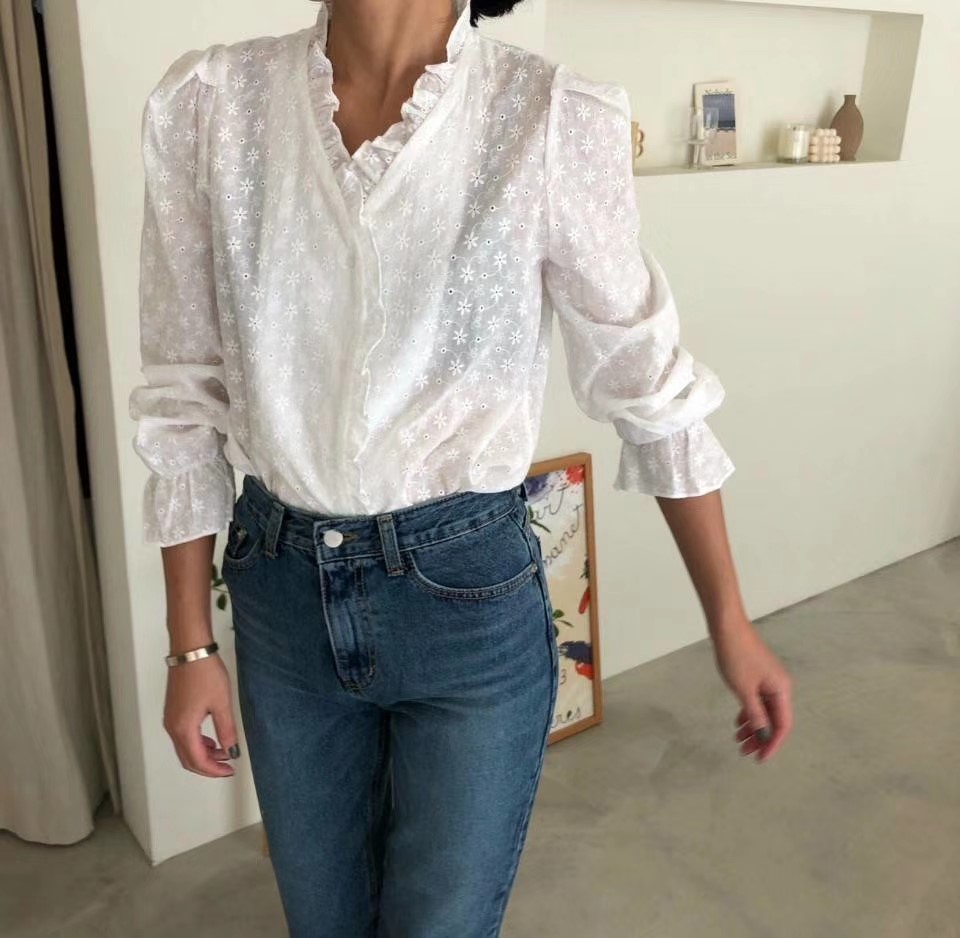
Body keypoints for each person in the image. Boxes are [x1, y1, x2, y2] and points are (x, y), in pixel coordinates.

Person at [128, 0, 794, 934]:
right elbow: (181, 390)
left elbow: (646, 383)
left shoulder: (547, 115)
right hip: (281, 599)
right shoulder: (212, 104)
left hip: (467, 604)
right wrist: (191, 644)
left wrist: (729, 621)